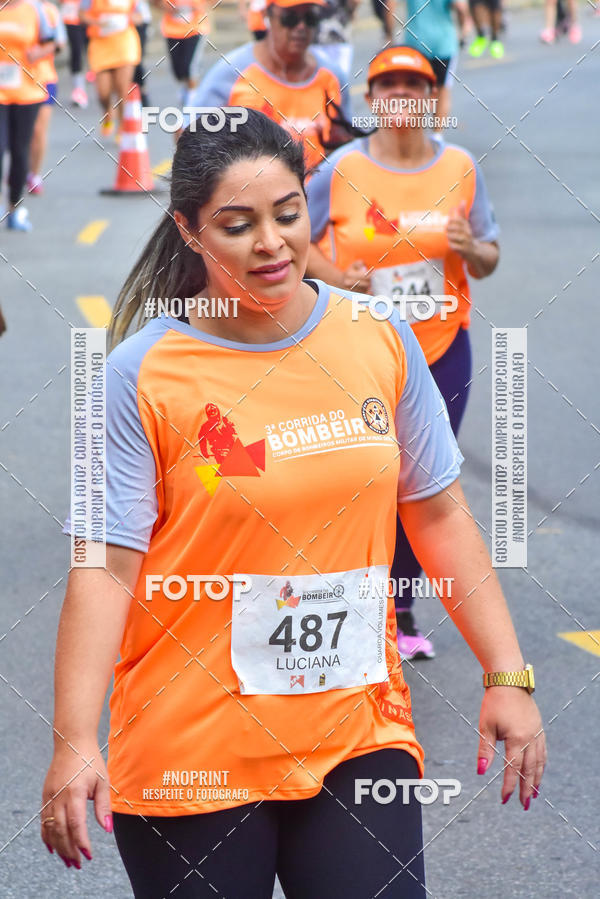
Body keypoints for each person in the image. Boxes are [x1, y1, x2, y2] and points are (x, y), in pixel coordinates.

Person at [41, 109, 546, 898]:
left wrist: (505, 675)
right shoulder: (143, 375)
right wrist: (74, 738)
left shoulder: (378, 338)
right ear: (191, 231)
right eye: (237, 225)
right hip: (194, 748)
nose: (273, 243)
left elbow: (439, 513)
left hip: (357, 732)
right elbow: (106, 565)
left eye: (287, 214)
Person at [305, 47, 500, 659]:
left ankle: (402, 611)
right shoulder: (338, 170)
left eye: (413, 85)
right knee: (365, 476)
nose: (400, 96)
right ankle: (351, 600)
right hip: (360, 348)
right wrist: (338, 278)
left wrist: (471, 248)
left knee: (424, 482)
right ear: (372, 98)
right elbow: (294, 239)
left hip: (443, 349)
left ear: (432, 99)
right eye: (387, 85)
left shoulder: (463, 167)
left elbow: (491, 257)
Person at [186, 0, 352, 170]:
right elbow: (190, 136)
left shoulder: (332, 76)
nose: (301, 27)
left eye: (310, 18)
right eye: (290, 18)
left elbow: (344, 146)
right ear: (267, 16)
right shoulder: (232, 72)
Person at [0, 0, 57, 231]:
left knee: (19, 150)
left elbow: (52, 44)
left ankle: (15, 207)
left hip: (28, 91)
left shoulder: (35, 10)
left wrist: (38, 52)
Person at [79, 0, 142, 137]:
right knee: (103, 93)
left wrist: (126, 19)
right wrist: (99, 22)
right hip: (100, 44)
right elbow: (82, 14)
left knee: (122, 87)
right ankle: (107, 111)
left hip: (125, 43)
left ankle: (122, 127)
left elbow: (140, 16)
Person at [403, 0, 471, 128]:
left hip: (415, 42)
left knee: (415, 89)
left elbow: (390, 5)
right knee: (442, 90)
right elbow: (460, 7)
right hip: (443, 42)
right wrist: (464, 27)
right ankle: (437, 135)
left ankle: (416, 131)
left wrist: (388, 33)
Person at [28, 0, 67, 195]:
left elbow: (59, 44)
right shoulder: (7, 9)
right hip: (11, 83)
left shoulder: (48, 10)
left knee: (37, 129)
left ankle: (34, 174)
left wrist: (38, 52)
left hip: (44, 78)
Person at [156, 0, 212, 107]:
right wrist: (167, 7)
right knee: (178, 71)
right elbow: (156, 3)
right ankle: (186, 88)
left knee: (190, 66)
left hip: (195, 28)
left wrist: (197, 6)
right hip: (172, 30)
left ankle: (192, 100)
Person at [60, 0, 89, 107]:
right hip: (71, 19)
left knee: (90, 52)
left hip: (90, 19)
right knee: (76, 53)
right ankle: (79, 91)